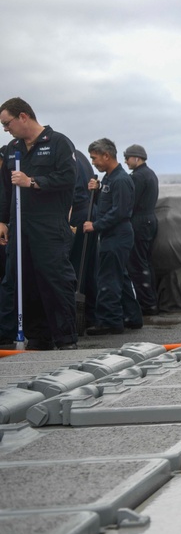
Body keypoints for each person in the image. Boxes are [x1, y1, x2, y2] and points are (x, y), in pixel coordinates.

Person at [0, 97, 79, 350]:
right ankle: (39, 337)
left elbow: (68, 178)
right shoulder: (12, 147)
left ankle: (65, 339)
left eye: (7, 123)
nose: (5, 129)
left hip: (49, 225)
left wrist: (33, 182)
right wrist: (3, 220)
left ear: (23, 116)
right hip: (19, 224)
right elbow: (5, 189)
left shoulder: (58, 143)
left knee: (54, 280)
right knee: (22, 280)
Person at [83, 139, 143, 335]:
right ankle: (132, 317)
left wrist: (96, 225)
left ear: (106, 156)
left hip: (118, 235)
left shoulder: (121, 180)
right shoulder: (109, 179)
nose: (93, 162)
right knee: (120, 277)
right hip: (112, 235)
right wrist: (98, 191)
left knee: (108, 278)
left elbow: (121, 212)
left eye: (95, 158)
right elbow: (109, 204)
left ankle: (110, 321)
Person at [123, 144, 160, 315]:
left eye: (128, 158)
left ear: (137, 158)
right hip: (150, 220)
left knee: (137, 265)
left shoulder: (137, 177)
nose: (126, 161)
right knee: (146, 263)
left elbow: (130, 202)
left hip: (139, 222)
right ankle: (152, 301)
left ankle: (146, 304)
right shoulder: (150, 174)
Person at [69, 149, 98, 329]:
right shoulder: (80, 156)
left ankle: (78, 318)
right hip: (90, 211)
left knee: (76, 269)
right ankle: (91, 316)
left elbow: (72, 194)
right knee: (89, 268)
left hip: (79, 214)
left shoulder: (67, 158)